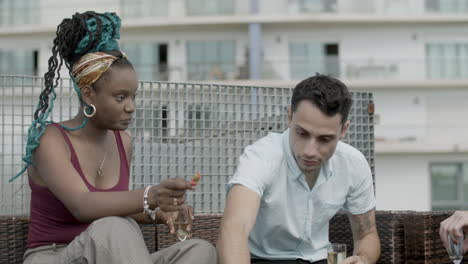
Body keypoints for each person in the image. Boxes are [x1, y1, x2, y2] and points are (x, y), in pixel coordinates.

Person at [10, 11, 217, 264]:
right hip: (55, 255)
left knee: (199, 250)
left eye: (133, 96)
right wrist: (150, 195)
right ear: (88, 95)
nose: (131, 107)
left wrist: (158, 211)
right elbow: (83, 205)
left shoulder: (124, 142)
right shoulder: (51, 140)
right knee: (114, 228)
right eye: (120, 97)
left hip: (111, 254)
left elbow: (114, 204)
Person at [217, 74, 380, 264]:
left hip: (321, 259)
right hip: (264, 260)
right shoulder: (261, 157)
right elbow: (234, 228)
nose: (309, 151)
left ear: (344, 130)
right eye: (302, 133)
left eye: (324, 139)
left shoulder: (353, 163)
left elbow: (367, 234)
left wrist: (364, 259)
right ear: (289, 117)